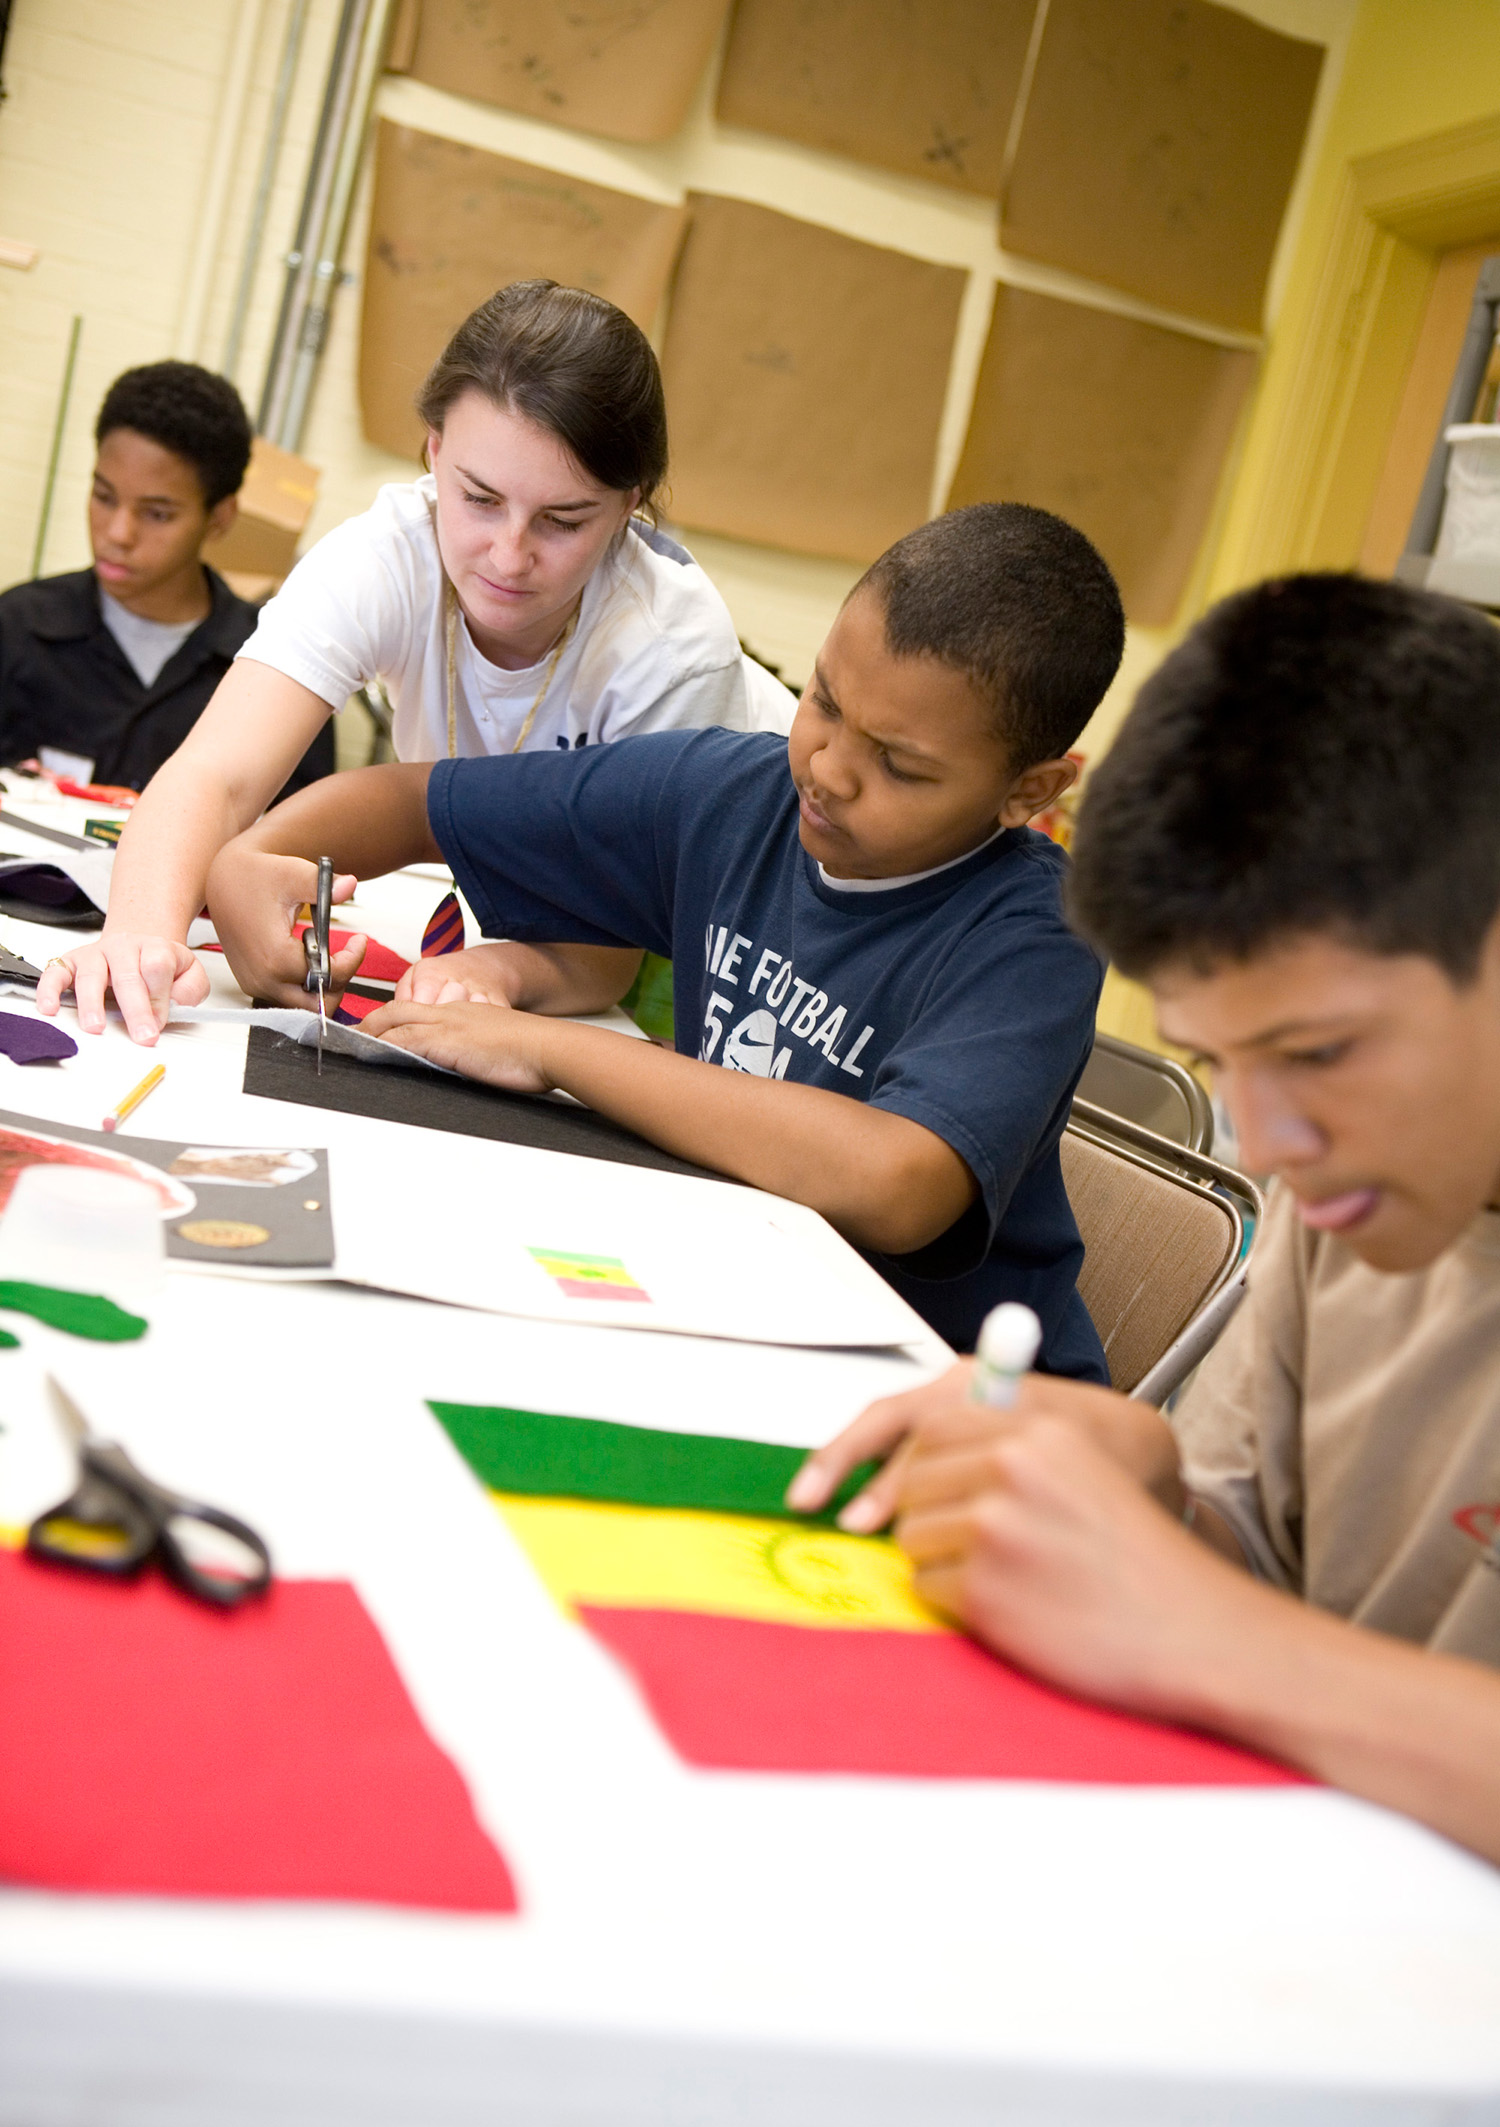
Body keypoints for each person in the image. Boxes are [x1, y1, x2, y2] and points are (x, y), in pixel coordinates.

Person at [788, 573, 1500, 1867]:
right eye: (1224, 1062)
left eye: (1322, 1050)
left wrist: (1208, 1632)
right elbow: (1255, 1552)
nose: (1270, 1141)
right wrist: (1145, 1478)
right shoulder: (1352, 1190)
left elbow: (1233, 1631)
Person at [205, 503, 1125, 1363]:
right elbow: (419, 801)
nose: (830, 771)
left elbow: (896, 1182)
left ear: (1030, 791)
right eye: (826, 702)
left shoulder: (1035, 937)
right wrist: (256, 853)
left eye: (900, 765)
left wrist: (544, 1045)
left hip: (934, 1393)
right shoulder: (733, 795)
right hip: (732, 1297)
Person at [37, 282, 795, 1044]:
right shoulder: (386, 555)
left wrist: (494, 970)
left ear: (630, 504)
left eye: (563, 521)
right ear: (435, 450)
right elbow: (215, 772)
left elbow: (604, 957)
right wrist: (140, 935)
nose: (508, 554)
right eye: (478, 498)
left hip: (740, 921)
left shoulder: (670, 655)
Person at [0, 361, 336, 801]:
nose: (118, 533)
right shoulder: (18, 628)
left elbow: (297, 846)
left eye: (157, 514)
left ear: (219, 517)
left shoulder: (276, 667)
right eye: (104, 497)